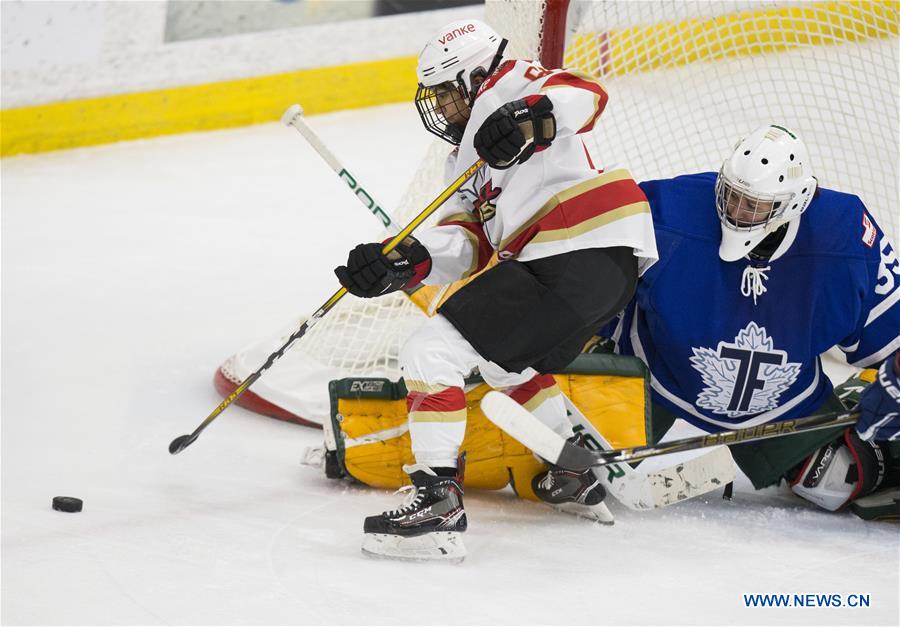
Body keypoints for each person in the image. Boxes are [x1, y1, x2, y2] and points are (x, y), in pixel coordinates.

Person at [334, 19, 658, 561]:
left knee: (429, 350)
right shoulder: (463, 163)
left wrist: (530, 117)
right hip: (602, 267)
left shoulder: (509, 83)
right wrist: (404, 259)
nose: (440, 107)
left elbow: (586, 94)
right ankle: (573, 468)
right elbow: (468, 243)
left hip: (570, 246)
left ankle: (437, 500)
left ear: (474, 75)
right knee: (506, 367)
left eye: (444, 92)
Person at [598, 124, 900, 516]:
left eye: (754, 204)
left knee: (834, 481)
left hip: (780, 402)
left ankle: (856, 403)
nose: (737, 211)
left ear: (796, 203)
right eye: (732, 196)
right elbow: (586, 275)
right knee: (554, 449)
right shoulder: (669, 211)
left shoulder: (844, 240)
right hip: (653, 375)